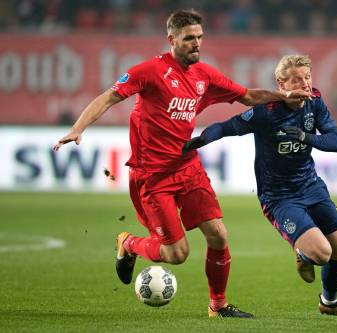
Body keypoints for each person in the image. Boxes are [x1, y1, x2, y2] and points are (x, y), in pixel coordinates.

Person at [53, 9, 311, 318]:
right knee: (176, 254)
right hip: (152, 176)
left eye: (200, 37)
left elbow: (248, 95)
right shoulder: (149, 71)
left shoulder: (205, 75)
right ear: (171, 39)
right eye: (189, 38)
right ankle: (129, 243)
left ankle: (218, 306)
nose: (196, 43)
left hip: (188, 168)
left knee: (219, 234)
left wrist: (284, 96)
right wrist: (78, 128)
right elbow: (109, 97)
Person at [183, 55, 337, 317]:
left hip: (311, 186)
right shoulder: (267, 111)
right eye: (297, 79)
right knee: (323, 254)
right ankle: (303, 253)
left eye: (307, 77)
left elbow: (336, 142)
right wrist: (202, 139)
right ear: (281, 83)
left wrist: (305, 137)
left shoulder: (315, 103)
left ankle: (329, 302)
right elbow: (228, 126)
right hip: (279, 198)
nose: (305, 84)